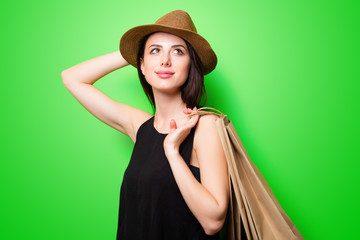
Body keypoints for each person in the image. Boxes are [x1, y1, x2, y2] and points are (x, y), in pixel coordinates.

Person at [61, 10, 229, 240]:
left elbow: (213, 222)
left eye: (178, 52)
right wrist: (134, 50)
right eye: (155, 51)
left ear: (192, 65)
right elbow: (71, 78)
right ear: (141, 64)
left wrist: (172, 152)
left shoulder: (205, 126)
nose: (165, 61)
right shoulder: (140, 126)